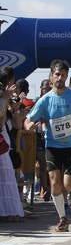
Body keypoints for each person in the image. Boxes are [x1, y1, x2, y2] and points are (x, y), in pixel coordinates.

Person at [25, 60, 71, 231]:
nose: (60, 78)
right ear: (51, 76)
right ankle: (63, 217)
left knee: (68, 185)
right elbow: (29, 119)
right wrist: (29, 125)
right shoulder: (45, 100)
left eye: (63, 75)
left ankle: (66, 199)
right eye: (57, 74)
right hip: (52, 146)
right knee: (54, 183)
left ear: (66, 77)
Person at [0, 68, 25, 220]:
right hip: (3, 139)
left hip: (4, 141)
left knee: (6, 176)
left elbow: (16, 125)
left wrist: (13, 106)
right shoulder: (3, 99)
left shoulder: (7, 100)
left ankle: (8, 211)